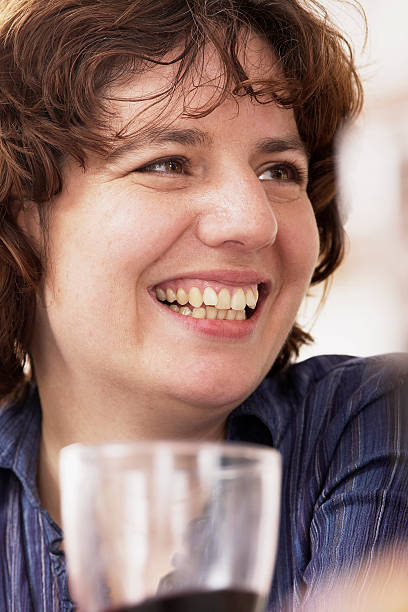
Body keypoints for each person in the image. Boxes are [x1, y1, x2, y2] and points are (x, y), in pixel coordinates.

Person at [0, 0, 407, 610]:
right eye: (167, 163)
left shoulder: (376, 423)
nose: (253, 221)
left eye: (279, 171)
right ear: (18, 216)